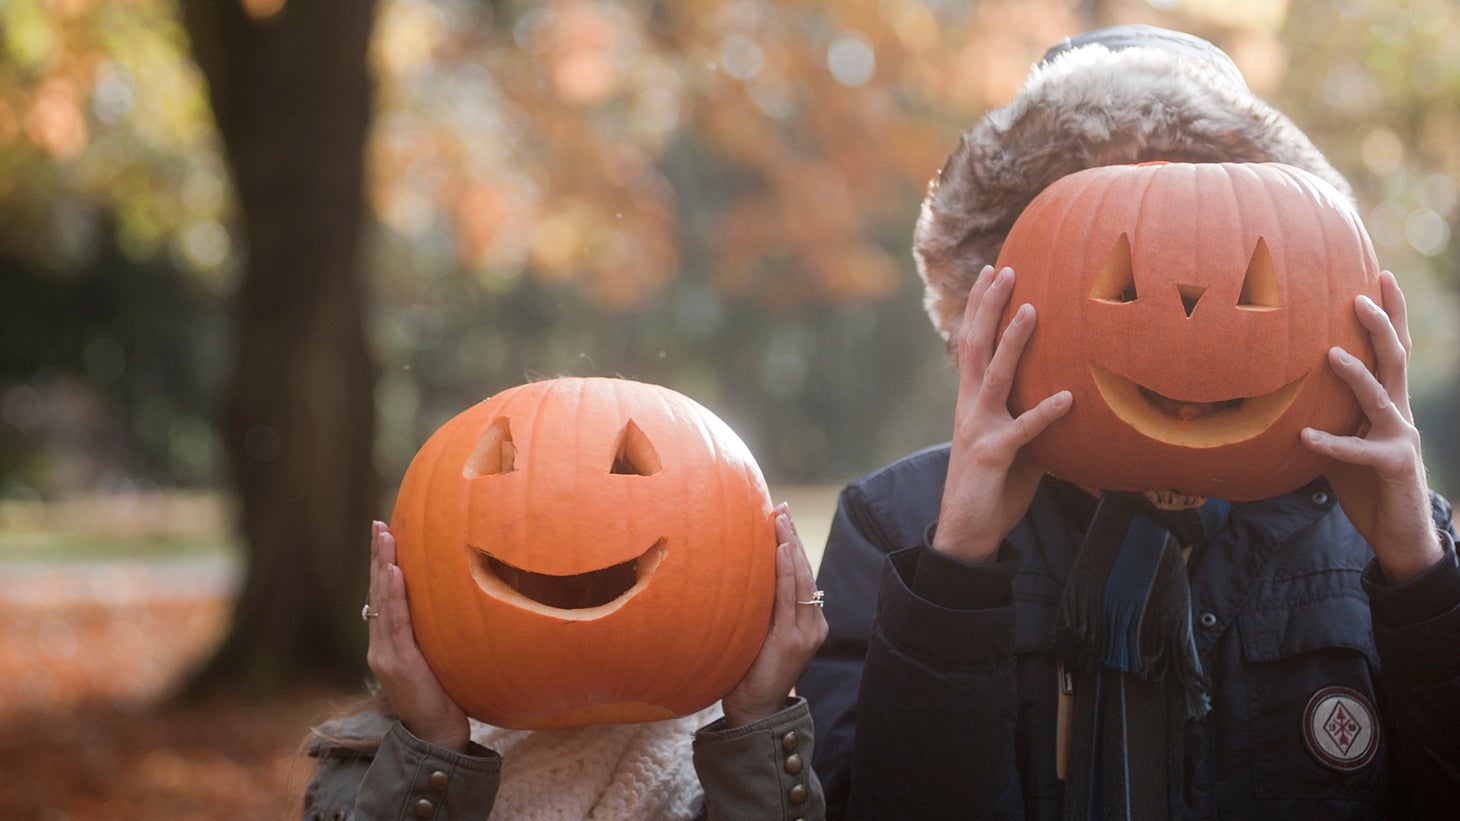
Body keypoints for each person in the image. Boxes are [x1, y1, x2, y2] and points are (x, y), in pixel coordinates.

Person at [798, 24, 1460, 819]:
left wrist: (1419, 582)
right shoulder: (897, 526)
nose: (1179, 317)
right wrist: (957, 572)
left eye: (1231, 264)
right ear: (995, 291)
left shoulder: (1386, 535)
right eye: (1117, 269)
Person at [303, 504, 828, 820]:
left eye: (626, 469)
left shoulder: (734, 767)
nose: (572, 542)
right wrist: (434, 742)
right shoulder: (367, 766)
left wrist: (757, 719)